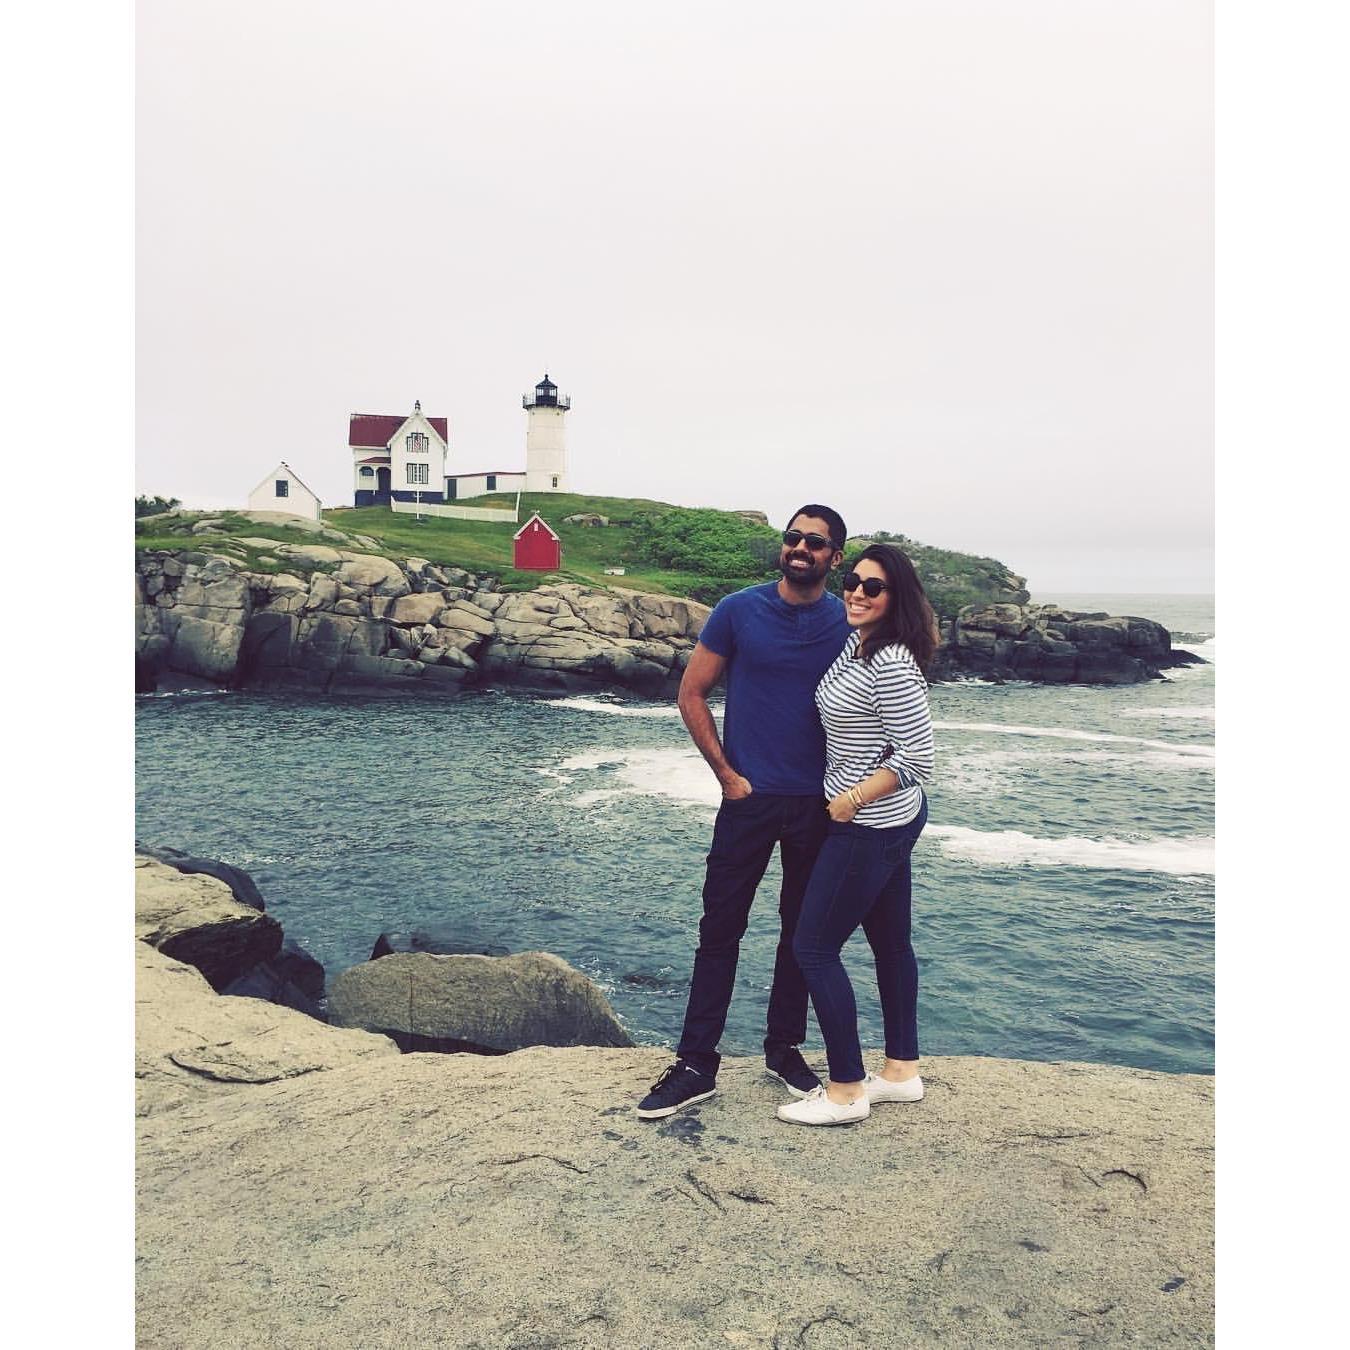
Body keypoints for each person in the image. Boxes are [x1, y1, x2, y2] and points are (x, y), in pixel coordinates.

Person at [636, 505, 850, 1119]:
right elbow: (691, 690)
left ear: (835, 556)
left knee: (800, 936)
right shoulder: (738, 610)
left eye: (815, 542)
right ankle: (697, 1063)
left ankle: (783, 1049)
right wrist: (726, 775)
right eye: (792, 538)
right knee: (719, 931)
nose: (800, 548)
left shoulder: (847, 620)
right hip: (748, 800)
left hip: (819, 803)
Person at [775, 542, 938, 1126]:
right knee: (891, 944)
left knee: (813, 947)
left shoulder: (891, 660)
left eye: (875, 587)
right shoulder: (857, 643)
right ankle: (901, 1072)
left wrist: (849, 800)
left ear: (897, 599)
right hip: (892, 821)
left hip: (869, 825)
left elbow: (918, 755)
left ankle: (845, 1091)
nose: (858, 593)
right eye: (854, 581)